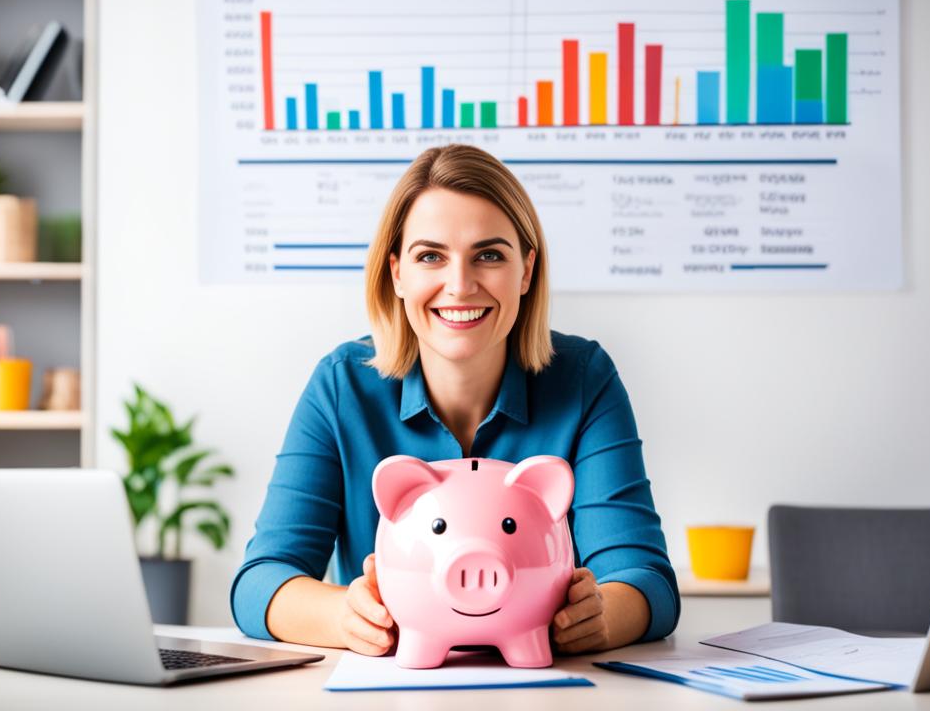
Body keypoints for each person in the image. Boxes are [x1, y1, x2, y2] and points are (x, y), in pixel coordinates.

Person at [231, 144, 679, 656]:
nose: (460, 285)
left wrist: (600, 615)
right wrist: (343, 617)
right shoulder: (342, 387)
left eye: (489, 255)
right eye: (430, 257)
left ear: (527, 270)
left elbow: (647, 582)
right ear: (397, 272)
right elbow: (259, 582)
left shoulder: (582, 379)